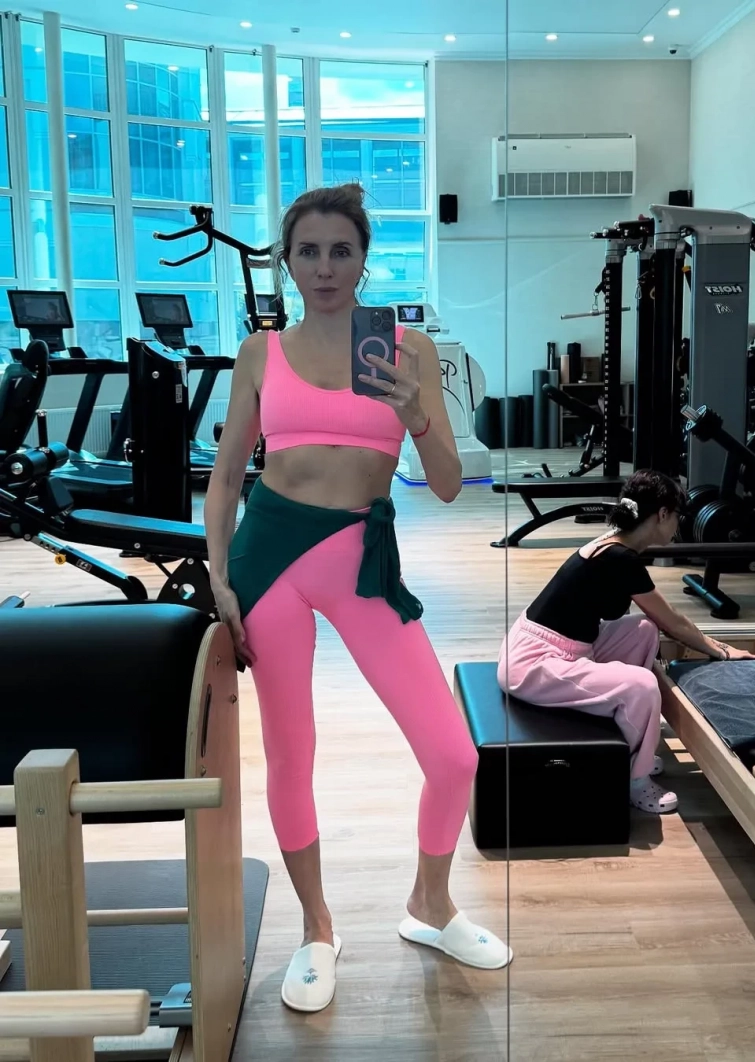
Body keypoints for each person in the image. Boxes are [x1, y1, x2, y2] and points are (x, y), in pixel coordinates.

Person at [204, 183, 510, 1015]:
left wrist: (418, 417)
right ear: (287, 261)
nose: (325, 267)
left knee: (454, 756)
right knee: (291, 753)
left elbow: (448, 485)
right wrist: (218, 575)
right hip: (270, 559)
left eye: (342, 250)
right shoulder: (261, 352)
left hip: (360, 558)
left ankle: (430, 904)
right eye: (309, 251)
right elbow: (226, 477)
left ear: (365, 260)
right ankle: (316, 927)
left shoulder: (407, 350)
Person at [497, 470, 755, 815]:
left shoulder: (615, 544)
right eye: (677, 516)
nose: (677, 525)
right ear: (662, 514)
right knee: (643, 685)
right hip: (534, 665)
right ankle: (634, 780)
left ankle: (631, 739)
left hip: (562, 646)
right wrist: (723, 651)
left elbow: (659, 623)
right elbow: (674, 622)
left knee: (643, 630)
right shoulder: (620, 558)